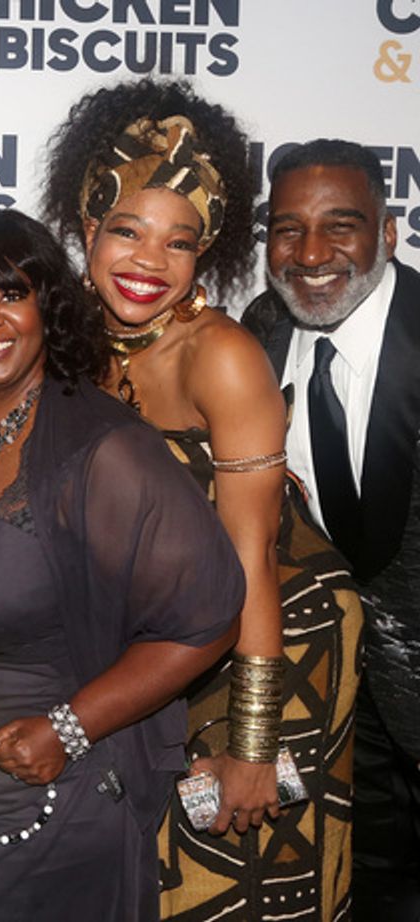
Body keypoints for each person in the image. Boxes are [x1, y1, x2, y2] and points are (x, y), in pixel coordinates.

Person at [42, 81, 364, 920]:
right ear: (86, 228)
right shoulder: (66, 336)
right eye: (127, 231)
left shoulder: (220, 357)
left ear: (206, 254)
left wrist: (254, 741)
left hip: (274, 640)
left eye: (179, 244)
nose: (149, 263)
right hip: (171, 633)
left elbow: (251, 553)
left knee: (234, 880)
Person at [0, 208, 242, 920]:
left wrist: (66, 728)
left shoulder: (99, 447)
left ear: (49, 307)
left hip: (45, 800)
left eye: (11, 294)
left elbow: (208, 620)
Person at [243, 138, 420, 921]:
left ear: (386, 232)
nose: (310, 254)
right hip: (334, 706)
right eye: (287, 229)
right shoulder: (260, 329)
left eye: (340, 226)